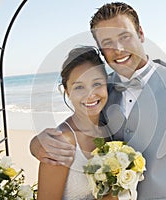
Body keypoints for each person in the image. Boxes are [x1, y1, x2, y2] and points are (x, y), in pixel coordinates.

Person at [31, 2, 166, 199]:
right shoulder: (102, 91)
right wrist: (36, 143)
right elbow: (80, 127)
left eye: (124, 36)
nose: (118, 49)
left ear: (140, 33)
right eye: (107, 43)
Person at [36, 46, 117, 200]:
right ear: (67, 92)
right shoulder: (62, 143)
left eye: (97, 84)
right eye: (79, 87)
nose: (90, 95)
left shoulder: (110, 130)